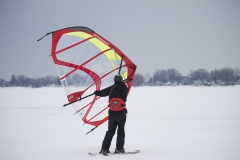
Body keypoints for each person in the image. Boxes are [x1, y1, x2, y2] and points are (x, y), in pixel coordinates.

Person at [94, 75, 128, 155]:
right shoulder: (125, 88)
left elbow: (102, 93)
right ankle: (120, 149)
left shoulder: (112, 87)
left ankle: (105, 149)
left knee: (110, 131)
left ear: (114, 80)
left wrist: (96, 93)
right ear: (122, 80)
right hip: (122, 113)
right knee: (121, 131)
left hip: (112, 113)